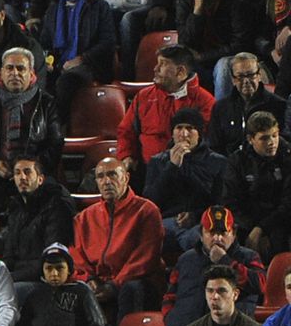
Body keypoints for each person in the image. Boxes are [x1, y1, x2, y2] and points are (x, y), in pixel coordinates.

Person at [160, 204, 265, 326]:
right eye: (211, 232)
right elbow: (170, 295)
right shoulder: (186, 259)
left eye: (223, 232)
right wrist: (172, 320)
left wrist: (225, 261)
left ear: (233, 233)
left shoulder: (248, 257)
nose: (217, 238)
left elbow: (260, 284)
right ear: (201, 234)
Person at [72, 156, 165, 322]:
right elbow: (77, 255)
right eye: (100, 177)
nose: (106, 181)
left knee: (131, 289)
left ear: (126, 178)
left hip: (137, 281)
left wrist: (115, 285)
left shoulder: (147, 211)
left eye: (112, 175)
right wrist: (89, 279)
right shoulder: (84, 217)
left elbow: (145, 258)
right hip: (99, 281)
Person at [0, 47, 62, 177]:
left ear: (31, 74)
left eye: (21, 68)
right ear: (2, 72)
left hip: (35, 177)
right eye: (9, 68)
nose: (14, 73)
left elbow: (55, 144)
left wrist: (30, 168)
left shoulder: (46, 102)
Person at [35, 0, 117, 112]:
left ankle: (59, 128)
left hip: (90, 64)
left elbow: (108, 42)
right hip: (59, 62)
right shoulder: (53, 7)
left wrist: (81, 59)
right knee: (39, 78)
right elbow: (45, 42)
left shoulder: (99, 7)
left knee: (66, 81)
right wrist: (47, 60)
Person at [117, 45, 215, 170]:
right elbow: (126, 131)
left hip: (189, 171)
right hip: (145, 171)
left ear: (180, 72)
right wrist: (127, 156)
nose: (155, 68)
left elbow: (208, 143)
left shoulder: (205, 101)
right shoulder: (144, 96)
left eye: (162, 64)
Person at [143, 107, 227, 250]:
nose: (184, 134)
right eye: (179, 128)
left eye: (190, 128)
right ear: (172, 133)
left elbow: (219, 201)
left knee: (196, 240)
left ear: (199, 133)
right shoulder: (157, 161)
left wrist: (195, 215)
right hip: (167, 221)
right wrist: (172, 167)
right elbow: (150, 201)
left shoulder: (217, 162)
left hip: (201, 222)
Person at [221, 112, 291, 259]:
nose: (272, 142)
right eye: (264, 138)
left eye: (275, 135)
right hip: (247, 224)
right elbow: (231, 203)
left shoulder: (287, 157)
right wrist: (253, 228)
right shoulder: (237, 162)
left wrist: (262, 229)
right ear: (250, 139)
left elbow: (288, 203)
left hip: (281, 222)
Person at [0, 153, 75, 284]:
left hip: (42, 279)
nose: (22, 177)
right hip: (16, 277)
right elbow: (8, 254)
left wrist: (11, 278)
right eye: (17, 173)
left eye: (27, 172)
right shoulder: (15, 208)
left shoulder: (56, 206)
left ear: (40, 179)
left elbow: (52, 257)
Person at [208, 53, 285, 155]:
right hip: (229, 165)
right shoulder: (220, 108)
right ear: (233, 80)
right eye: (240, 76)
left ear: (259, 76)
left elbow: (283, 144)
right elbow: (215, 147)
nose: (246, 81)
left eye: (250, 75)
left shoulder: (278, 105)